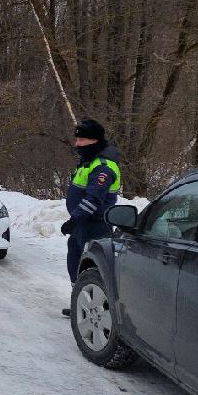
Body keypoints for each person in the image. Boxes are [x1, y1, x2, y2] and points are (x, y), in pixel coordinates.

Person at [60, 118, 122, 317]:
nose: (77, 144)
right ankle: (80, 302)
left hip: (96, 226)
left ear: (94, 140)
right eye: (77, 139)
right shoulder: (88, 161)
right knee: (75, 261)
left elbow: (93, 199)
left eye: (82, 140)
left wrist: (73, 220)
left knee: (93, 268)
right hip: (82, 224)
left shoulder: (103, 167)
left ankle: (99, 310)